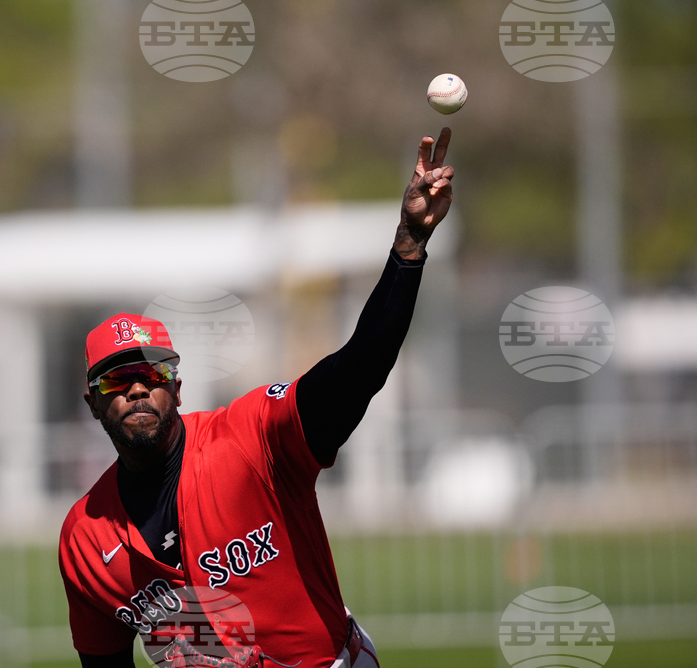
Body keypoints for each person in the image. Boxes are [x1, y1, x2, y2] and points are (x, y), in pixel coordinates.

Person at [59, 128, 455, 668]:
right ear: (92, 403)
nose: (136, 387)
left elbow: (359, 367)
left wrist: (409, 245)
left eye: (152, 372)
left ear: (176, 387)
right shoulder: (85, 540)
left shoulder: (250, 438)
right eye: (115, 379)